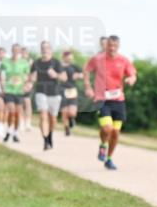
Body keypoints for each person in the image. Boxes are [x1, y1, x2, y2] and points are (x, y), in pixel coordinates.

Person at [83, 35, 137, 170]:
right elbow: (86, 70)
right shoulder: (98, 59)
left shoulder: (123, 60)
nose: (112, 48)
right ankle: (102, 145)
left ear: (118, 46)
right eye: (109, 45)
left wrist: (131, 79)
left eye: (115, 46)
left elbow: (132, 74)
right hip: (102, 99)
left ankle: (109, 158)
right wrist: (88, 87)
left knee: (115, 133)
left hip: (118, 100)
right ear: (105, 45)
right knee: (108, 128)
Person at [30, 41, 63, 150]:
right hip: (41, 92)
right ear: (40, 50)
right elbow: (31, 78)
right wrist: (31, 79)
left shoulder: (56, 63)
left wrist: (56, 75)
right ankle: (45, 141)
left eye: (47, 48)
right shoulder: (36, 63)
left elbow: (64, 77)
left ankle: (50, 136)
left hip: (54, 93)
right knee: (43, 115)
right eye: (43, 48)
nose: (45, 50)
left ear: (50, 50)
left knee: (53, 119)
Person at [0, 44, 31, 143]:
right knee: (11, 111)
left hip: (19, 91)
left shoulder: (24, 63)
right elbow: (1, 76)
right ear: (12, 51)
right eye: (14, 50)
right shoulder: (5, 62)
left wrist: (27, 85)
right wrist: (2, 88)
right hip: (9, 90)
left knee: (18, 113)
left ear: (20, 52)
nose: (16, 52)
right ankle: (8, 130)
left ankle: (15, 133)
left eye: (18, 50)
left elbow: (28, 77)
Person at [59, 50, 83, 135]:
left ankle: (72, 119)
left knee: (72, 112)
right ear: (64, 57)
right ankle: (67, 129)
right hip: (62, 90)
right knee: (64, 112)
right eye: (68, 58)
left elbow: (83, 74)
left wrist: (78, 75)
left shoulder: (74, 66)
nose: (70, 59)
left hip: (72, 90)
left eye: (71, 58)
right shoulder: (59, 66)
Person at [19, 46, 34, 131]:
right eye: (22, 53)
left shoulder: (31, 62)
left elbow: (34, 74)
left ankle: (28, 123)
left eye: (25, 53)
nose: (24, 54)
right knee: (20, 104)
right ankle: (21, 122)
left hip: (28, 85)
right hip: (19, 86)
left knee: (27, 103)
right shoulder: (18, 62)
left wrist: (30, 83)